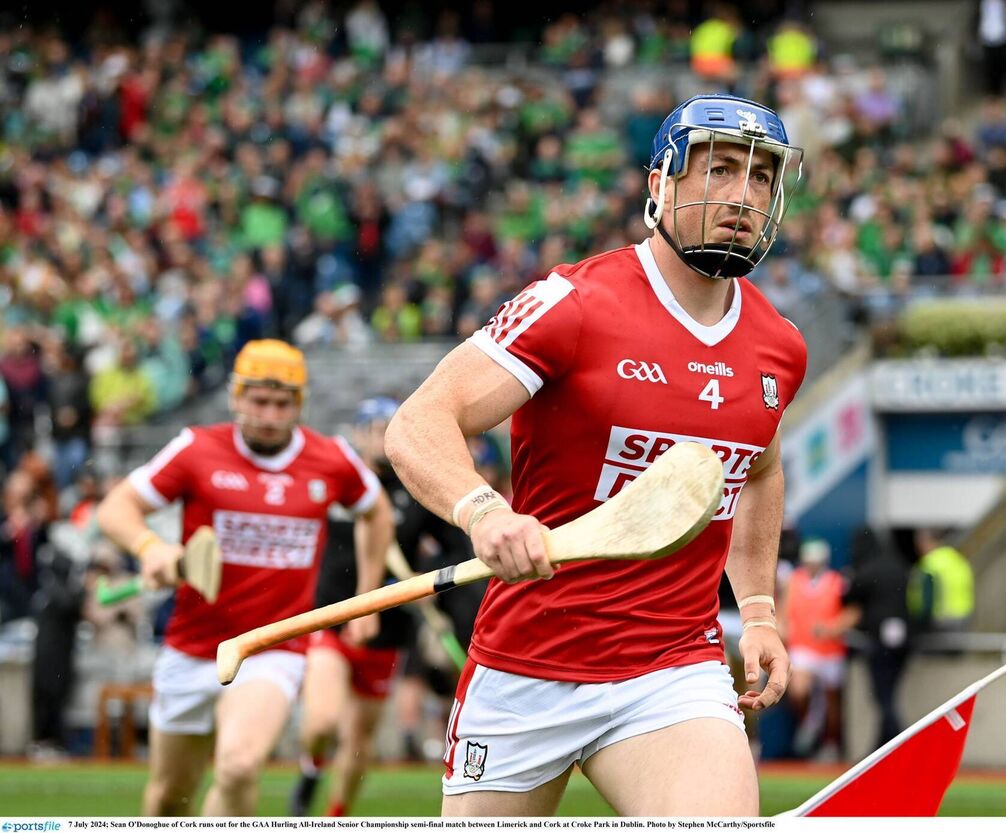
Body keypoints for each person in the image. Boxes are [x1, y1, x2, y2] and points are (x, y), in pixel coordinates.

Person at [385, 93, 808, 816]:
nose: (743, 194)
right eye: (720, 169)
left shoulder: (780, 347)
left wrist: (760, 608)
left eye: (761, 177)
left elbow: (757, 469)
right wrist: (484, 511)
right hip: (529, 661)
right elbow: (419, 421)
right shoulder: (573, 303)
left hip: (673, 667)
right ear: (661, 182)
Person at [95, 339, 393, 816]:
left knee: (237, 766)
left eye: (281, 403)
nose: (269, 414)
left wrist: (367, 594)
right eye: (257, 401)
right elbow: (115, 508)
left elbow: (376, 512)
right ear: (235, 398)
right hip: (192, 647)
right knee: (170, 799)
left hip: (271, 646)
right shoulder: (197, 449)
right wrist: (150, 548)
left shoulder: (331, 459)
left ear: (299, 404)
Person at [289, 396, 468, 817]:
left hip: (387, 633)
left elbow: (455, 551)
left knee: (357, 744)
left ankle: (335, 815)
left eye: (387, 429)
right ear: (357, 433)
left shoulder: (414, 489)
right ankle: (311, 770)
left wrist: (418, 578)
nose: (378, 438)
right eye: (371, 428)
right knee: (322, 723)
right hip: (332, 620)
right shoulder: (335, 484)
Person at [826, 526, 912, 751]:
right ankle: (881, 747)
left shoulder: (866, 571)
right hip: (905, 640)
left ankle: (901, 741)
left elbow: (848, 597)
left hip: (879, 642)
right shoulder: (899, 566)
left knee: (882, 695)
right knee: (888, 694)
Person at [781, 539, 846, 761]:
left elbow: (845, 613)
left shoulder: (837, 582)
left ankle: (830, 742)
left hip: (830, 649)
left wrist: (832, 628)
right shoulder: (794, 580)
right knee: (798, 690)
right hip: (803, 646)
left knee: (832, 699)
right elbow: (784, 613)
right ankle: (809, 723)